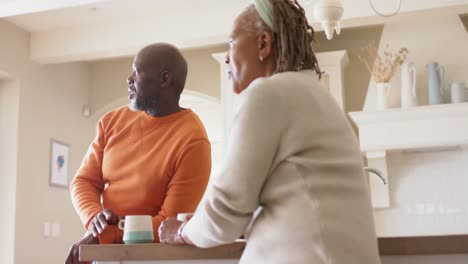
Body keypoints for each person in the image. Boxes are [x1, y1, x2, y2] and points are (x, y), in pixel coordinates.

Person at [158, 1, 381, 264]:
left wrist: (182, 231)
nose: (227, 56)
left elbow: (226, 211)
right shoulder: (319, 96)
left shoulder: (268, 94)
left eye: (231, 42)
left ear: (263, 44)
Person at [66, 43, 212, 263]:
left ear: (165, 80)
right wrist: (95, 218)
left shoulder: (193, 141)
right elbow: (83, 181)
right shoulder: (111, 122)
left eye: (138, 71)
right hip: (103, 250)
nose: (129, 78)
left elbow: (167, 224)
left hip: (151, 257)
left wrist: (108, 235)